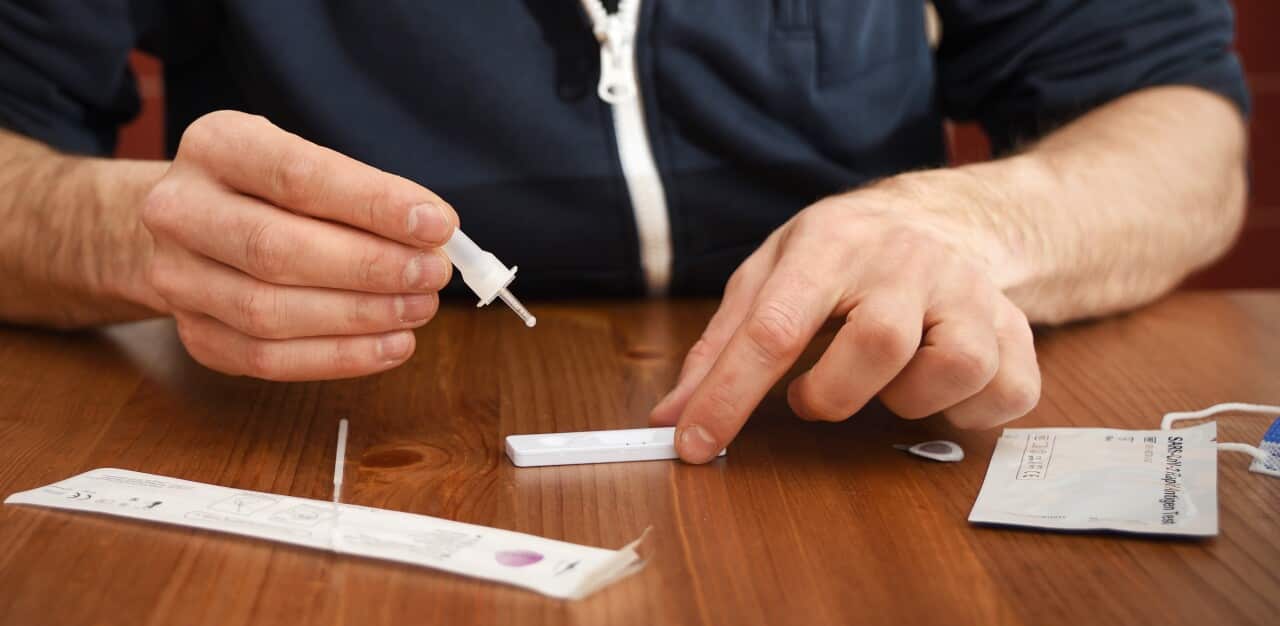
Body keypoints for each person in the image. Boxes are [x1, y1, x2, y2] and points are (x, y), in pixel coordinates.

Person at [0, 2, 1250, 464]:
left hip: (848, 437)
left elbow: (1180, 129)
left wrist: (968, 223)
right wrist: (132, 233)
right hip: (332, 424)